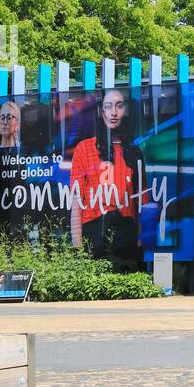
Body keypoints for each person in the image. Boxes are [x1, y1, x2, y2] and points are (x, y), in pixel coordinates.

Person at [70, 88, 143, 260]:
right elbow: (76, 201)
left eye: (119, 106)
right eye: (108, 106)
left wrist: (139, 245)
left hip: (126, 233)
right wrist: (77, 247)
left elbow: (141, 203)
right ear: (102, 112)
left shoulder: (134, 152)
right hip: (93, 231)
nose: (114, 113)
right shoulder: (84, 148)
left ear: (126, 111)